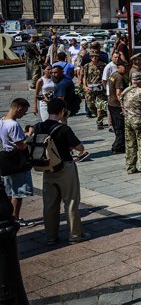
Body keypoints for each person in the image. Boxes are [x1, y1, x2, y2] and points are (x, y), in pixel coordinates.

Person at [33, 98, 89, 244]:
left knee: (50, 204)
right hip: (65, 167)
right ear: (62, 112)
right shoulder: (64, 129)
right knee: (70, 201)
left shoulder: (38, 126)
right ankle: (75, 235)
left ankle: (51, 237)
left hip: (47, 167)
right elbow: (80, 148)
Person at [1, 98, 36, 227]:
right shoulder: (13, 125)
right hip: (17, 160)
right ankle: (14, 218)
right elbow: (21, 145)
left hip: (7, 158)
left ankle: (7, 216)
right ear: (19, 108)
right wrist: (30, 135)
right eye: (24, 112)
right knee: (18, 192)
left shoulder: (2, 120)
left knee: (9, 191)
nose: (23, 115)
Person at [82, 49, 108, 129]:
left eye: (96, 56)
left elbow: (106, 76)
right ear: (90, 57)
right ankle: (98, 116)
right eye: (92, 57)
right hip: (90, 89)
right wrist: (85, 86)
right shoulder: (87, 66)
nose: (94, 58)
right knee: (91, 106)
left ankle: (99, 122)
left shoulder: (103, 65)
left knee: (100, 106)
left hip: (100, 89)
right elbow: (84, 77)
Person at [106, 59, 127, 154]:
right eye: (124, 67)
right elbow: (119, 93)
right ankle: (118, 146)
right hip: (117, 105)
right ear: (118, 67)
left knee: (116, 125)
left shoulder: (113, 75)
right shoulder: (119, 77)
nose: (125, 69)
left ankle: (118, 145)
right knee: (120, 126)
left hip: (111, 103)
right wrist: (123, 106)